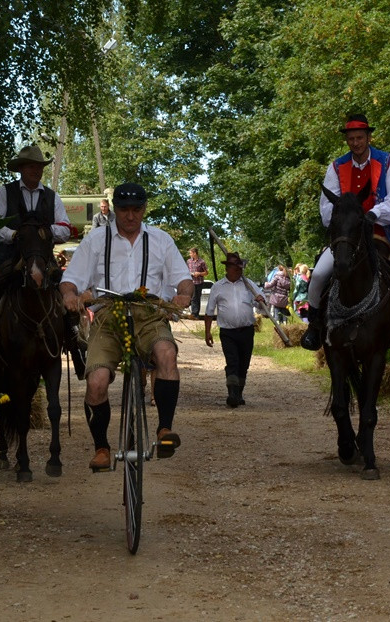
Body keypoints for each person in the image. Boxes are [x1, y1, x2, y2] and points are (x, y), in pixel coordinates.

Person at [60, 182, 194, 469]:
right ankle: (102, 448)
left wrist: (184, 293)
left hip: (149, 314)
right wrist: (70, 295)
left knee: (167, 354)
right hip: (108, 317)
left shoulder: (161, 240)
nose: (130, 216)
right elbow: (70, 279)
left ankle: (164, 430)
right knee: (96, 382)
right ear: (115, 209)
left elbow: (182, 277)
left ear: (144, 209)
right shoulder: (95, 240)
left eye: (136, 210)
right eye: (123, 210)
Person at [0, 144, 84, 378]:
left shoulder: (52, 197)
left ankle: (77, 349)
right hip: (10, 256)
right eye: (32, 166)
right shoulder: (4, 193)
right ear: (21, 168)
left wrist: (43, 233)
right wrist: (14, 235)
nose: (37, 170)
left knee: (66, 290)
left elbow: (65, 228)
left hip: (43, 258)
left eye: (40, 166)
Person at [299, 113, 390, 353]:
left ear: (368, 137)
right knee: (317, 276)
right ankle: (314, 327)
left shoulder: (389, 162)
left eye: (359, 137)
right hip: (349, 235)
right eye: (351, 139)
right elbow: (326, 207)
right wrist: (343, 219)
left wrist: (374, 214)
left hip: (384, 232)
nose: (355, 143)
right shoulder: (336, 167)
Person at [203, 252, 265, 408]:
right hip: (228, 332)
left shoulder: (249, 284)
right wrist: (207, 332)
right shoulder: (218, 287)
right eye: (236, 267)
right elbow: (209, 312)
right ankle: (232, 394)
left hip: (246, 330)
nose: (239, 270)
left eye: (240, 267)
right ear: (228, 268)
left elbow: (262, 304)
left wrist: (260, 300)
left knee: (244, 364)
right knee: (232, 362)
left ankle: (239, 393)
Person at [186, 247, 208, 318]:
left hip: (199, 282)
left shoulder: (202, 262)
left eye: (191, 253)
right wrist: (190, 274)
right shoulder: (189, 261)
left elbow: (206, 273)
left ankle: (196, 315)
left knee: (197, 298)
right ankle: (193, 314)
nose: (190, 254)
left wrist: (199, 273)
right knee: (193, 297)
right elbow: (186, 271)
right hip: (192, 282)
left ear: (195, 253)